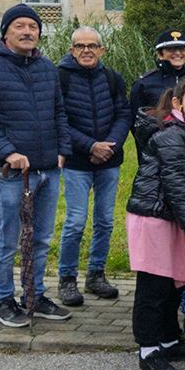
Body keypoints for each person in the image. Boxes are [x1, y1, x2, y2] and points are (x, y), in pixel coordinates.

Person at [0, 3, 72, 328]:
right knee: (7, 238)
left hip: (48, 170)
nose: (27, 31)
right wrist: (7, 151)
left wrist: (62, 150)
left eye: (32, 27)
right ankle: (2, 300)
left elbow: (59, 113)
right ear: (5, 32)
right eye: (20, 26)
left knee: (40, 238)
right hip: (9, 174)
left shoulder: (47, 68)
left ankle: (33, 295)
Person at [127, 75, 185, 370]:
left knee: (171, 285)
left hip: (171, 217)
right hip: (155, 217)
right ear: (177, 103)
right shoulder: (171, 134)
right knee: (153, 287)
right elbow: (174, 182)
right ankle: (148, 351)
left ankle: (169, 340)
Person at [56, 26, 133, 307]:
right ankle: (66, 279)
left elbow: (124, 114)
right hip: (77, 162)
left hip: (109, 161)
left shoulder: (113, 78)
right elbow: (60, 119)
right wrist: (90, 146)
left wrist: (108, 145)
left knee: (105, 221)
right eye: (80, 46)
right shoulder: (60, 78)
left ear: (101, 50)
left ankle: (96, 275)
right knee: (75, 221)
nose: (86, 50)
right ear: (71, 50)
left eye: (92, 45)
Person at [129, 30, 185, 114]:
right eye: (170, 49)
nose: (178, 53)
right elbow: (136, 119)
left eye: (181, 49)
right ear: (159, 54)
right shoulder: (144, 83)